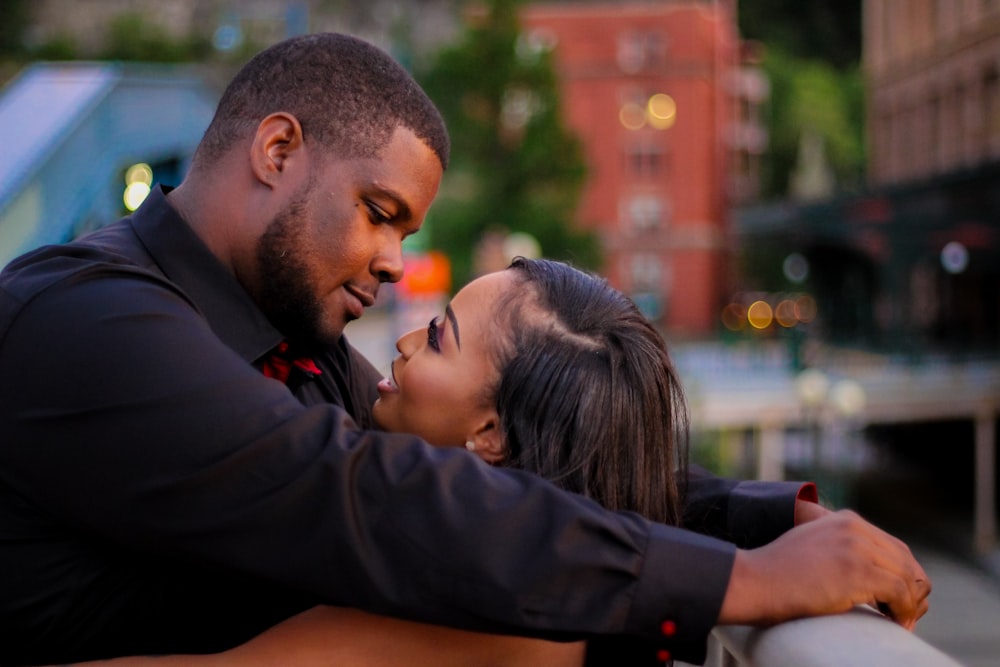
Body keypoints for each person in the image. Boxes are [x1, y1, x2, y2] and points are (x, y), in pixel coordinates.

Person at [0, 32, 928, 667]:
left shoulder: (295, 344)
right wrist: (744, 579)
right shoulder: (89, 320)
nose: (395, 263)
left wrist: (756, 518)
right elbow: (360, 490)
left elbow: (503, 452)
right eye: (379, 213)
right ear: (277, 150)